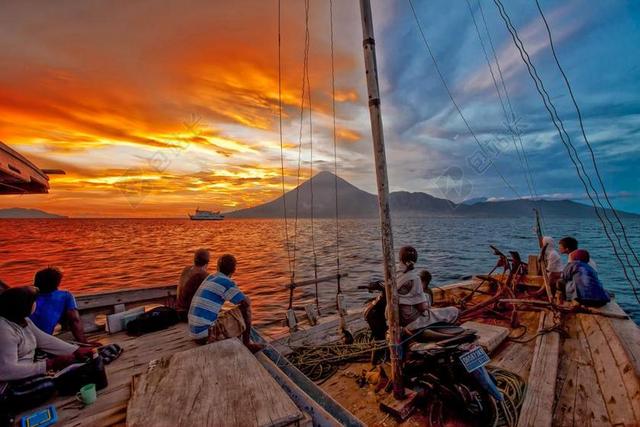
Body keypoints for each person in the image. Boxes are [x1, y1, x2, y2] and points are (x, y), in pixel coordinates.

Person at [0, 286, 93, 385]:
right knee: (50, 385)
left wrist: (76, 350)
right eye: (32, 302)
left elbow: (43, 339)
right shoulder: (4, 330)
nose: (34, 304)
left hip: (30, 368)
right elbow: (6, 371)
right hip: (9, 383)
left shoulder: (23, 320)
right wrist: (49, 364)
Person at [188, 254, 263, 352]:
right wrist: (246, 298)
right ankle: (247, 343)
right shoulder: (227, 282)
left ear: (217, 267)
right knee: (246, 308)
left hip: (193, 332)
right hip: (205, 335)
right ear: (234, 270)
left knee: (223, 312)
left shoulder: (210, 277)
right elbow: (246, 303)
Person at [397, 246, 459, 332]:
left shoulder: (393, 275)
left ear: (400, 258)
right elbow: (422, 308)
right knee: (454, 311)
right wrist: (428, 306)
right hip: (412, 322)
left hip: (398, 319)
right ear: (415, 260)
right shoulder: (415, 278)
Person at [29, 267, 90, 344]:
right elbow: (75, 321)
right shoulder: (64, 296)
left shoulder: (25, 296)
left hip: (20, 340)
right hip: (40, 343)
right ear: (57, 283)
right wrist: (84, 343)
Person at [176, 248, 211, 319]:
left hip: (179, 311)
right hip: (190, 315)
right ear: (207, 262)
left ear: (194, 260)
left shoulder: (186, 269)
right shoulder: (204, 276)